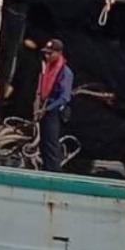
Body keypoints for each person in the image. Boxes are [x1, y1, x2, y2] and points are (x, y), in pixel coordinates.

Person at [34, 39, 74, 172]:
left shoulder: (65, 72)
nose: (47, 56)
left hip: (55, 111)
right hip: (44, 108)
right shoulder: (47, 68)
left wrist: (47, 109)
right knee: (43, 143)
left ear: (59, 53)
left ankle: (54, 172)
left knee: (51, 144)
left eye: (50, 54)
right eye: (46, 53)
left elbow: (65, 97)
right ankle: (46, 169)